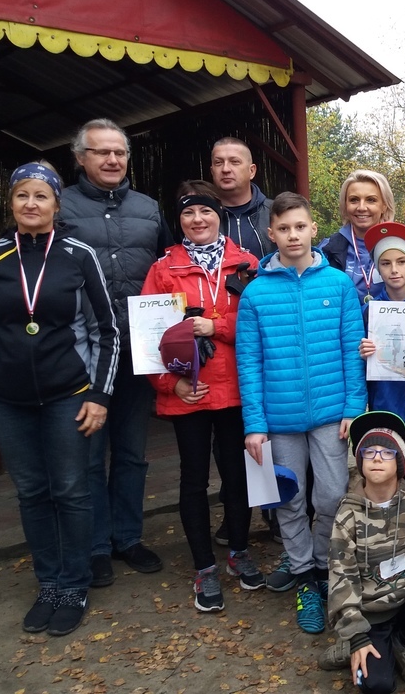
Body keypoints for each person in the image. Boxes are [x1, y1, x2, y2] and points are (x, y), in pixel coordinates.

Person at [0, 118, 173, 588]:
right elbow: (19, 245)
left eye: (120, 152)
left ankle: (128, 537)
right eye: (101, 152)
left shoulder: (148, 208)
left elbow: (169, 264)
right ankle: (94, 547)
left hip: (137, 348)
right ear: (80, 158)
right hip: (83, 355)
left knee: (132, 453)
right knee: (87, 456)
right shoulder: (60, 204)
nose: (113, 160)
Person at [0, 163, 120, 636]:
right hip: (6, 399)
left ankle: (75, 584)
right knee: (32, 492)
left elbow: (107, 331)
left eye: (41, 196)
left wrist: (100, 394)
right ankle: (50, 582)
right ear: (12, 203)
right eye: (23, 195)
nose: (31, 204)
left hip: (69, 395)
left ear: (57, 204)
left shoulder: (79, 255)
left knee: (71, 489)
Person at [236, 192, 367, 634]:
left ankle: (324, 564)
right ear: (271, 234)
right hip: (279, 418)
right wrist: (255, 425)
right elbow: (248, 363)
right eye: (284, 228)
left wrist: (354, 407)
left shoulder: (339, 285)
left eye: (299, 226)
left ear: (314, 229)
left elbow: (352, 349)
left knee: (331, 496)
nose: (293, 235)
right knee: (289, 500)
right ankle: (304, 576)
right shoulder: (255, 294)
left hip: (332, 414)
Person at [140, 181, 262, 613]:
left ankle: (239, 551)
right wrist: (169, 384)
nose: (198, 219)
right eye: (189, 213)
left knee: (237, 474)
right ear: (179, 220)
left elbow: (261, 322)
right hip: (187, 390)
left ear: (219, 215)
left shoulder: (246, 264)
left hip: (235, 389)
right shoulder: (163, 268)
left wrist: (217, 327)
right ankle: (204, 566)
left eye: (206, 211)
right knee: (193, 478)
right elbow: (147, 336)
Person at [320, 411, 405, 692]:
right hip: (370, 613)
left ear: (400, 461)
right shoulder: (347, 514)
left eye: (387, 452)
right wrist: (357, 635)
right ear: (360, 462)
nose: (377, 458)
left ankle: (403, 646)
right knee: (377, 686)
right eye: (369, 452)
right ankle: (350, 644)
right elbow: (341, 578)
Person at [357, 222, 405, 490]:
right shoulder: (369, 310)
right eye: (386, 263)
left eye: (401, 262)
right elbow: (358, 363)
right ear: (377, 268)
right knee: (393, 479)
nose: (394, 269)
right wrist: (363, 352)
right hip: (385, 402)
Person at [320, 170, 396, 300]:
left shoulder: (404, 244)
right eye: (354, 200)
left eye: (371, 200)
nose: (361, 207)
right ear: (345, 205)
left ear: (384, 206)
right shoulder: (327, 248)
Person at [210, 137, 275, 258]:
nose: (225, 169)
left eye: (234, 162)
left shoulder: (275, 212)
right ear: (212, 171)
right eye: (218, 163)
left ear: (252, 171)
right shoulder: (201, 218)